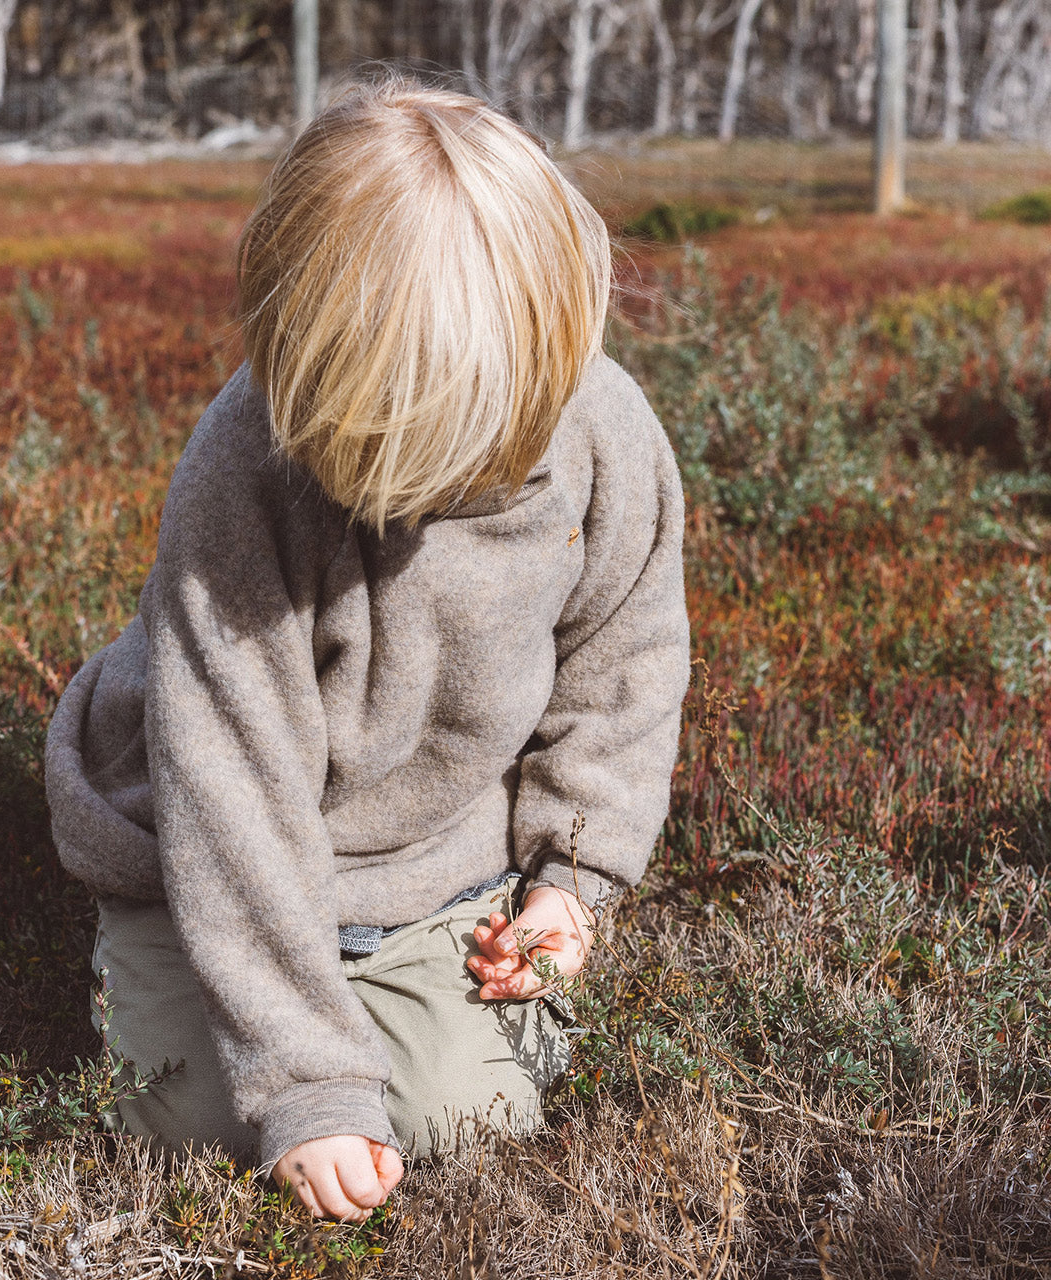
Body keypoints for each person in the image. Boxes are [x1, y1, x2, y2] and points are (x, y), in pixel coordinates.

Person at [44, 76, 689, 1224]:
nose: (489, 467)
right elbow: (230, 790)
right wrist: (306, 1081)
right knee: (201, 1115)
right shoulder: (243, 476)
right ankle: (171, 973)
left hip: (434, 856)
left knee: (455, 1110)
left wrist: (569, 883)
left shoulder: (601, 430)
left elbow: (622, 662)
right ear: (319, 390)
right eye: (442, 453)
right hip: (201, 836)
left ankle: (346, 1000)